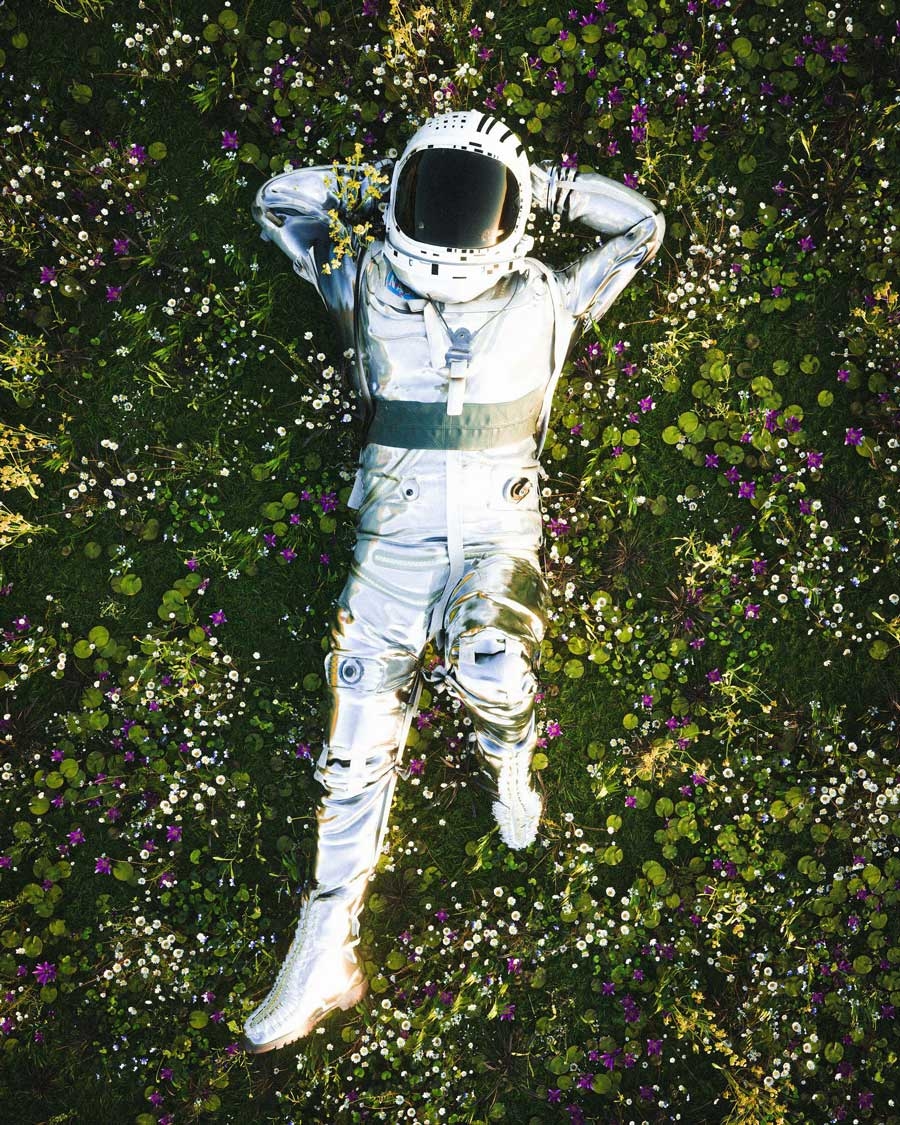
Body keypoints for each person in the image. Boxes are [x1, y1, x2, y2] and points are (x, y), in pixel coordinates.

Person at [242, 110, 665, 1053]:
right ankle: (325, 944)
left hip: (494, 535)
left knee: (491, 654)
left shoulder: (548, 297)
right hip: (389, 544)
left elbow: (640, 227)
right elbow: (278, 202)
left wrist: (548, 185)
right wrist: (373, 176)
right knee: (352, 739)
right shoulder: (361, 287)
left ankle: (510, 770)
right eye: (431, 198)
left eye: (471, 204)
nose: (449, 228)